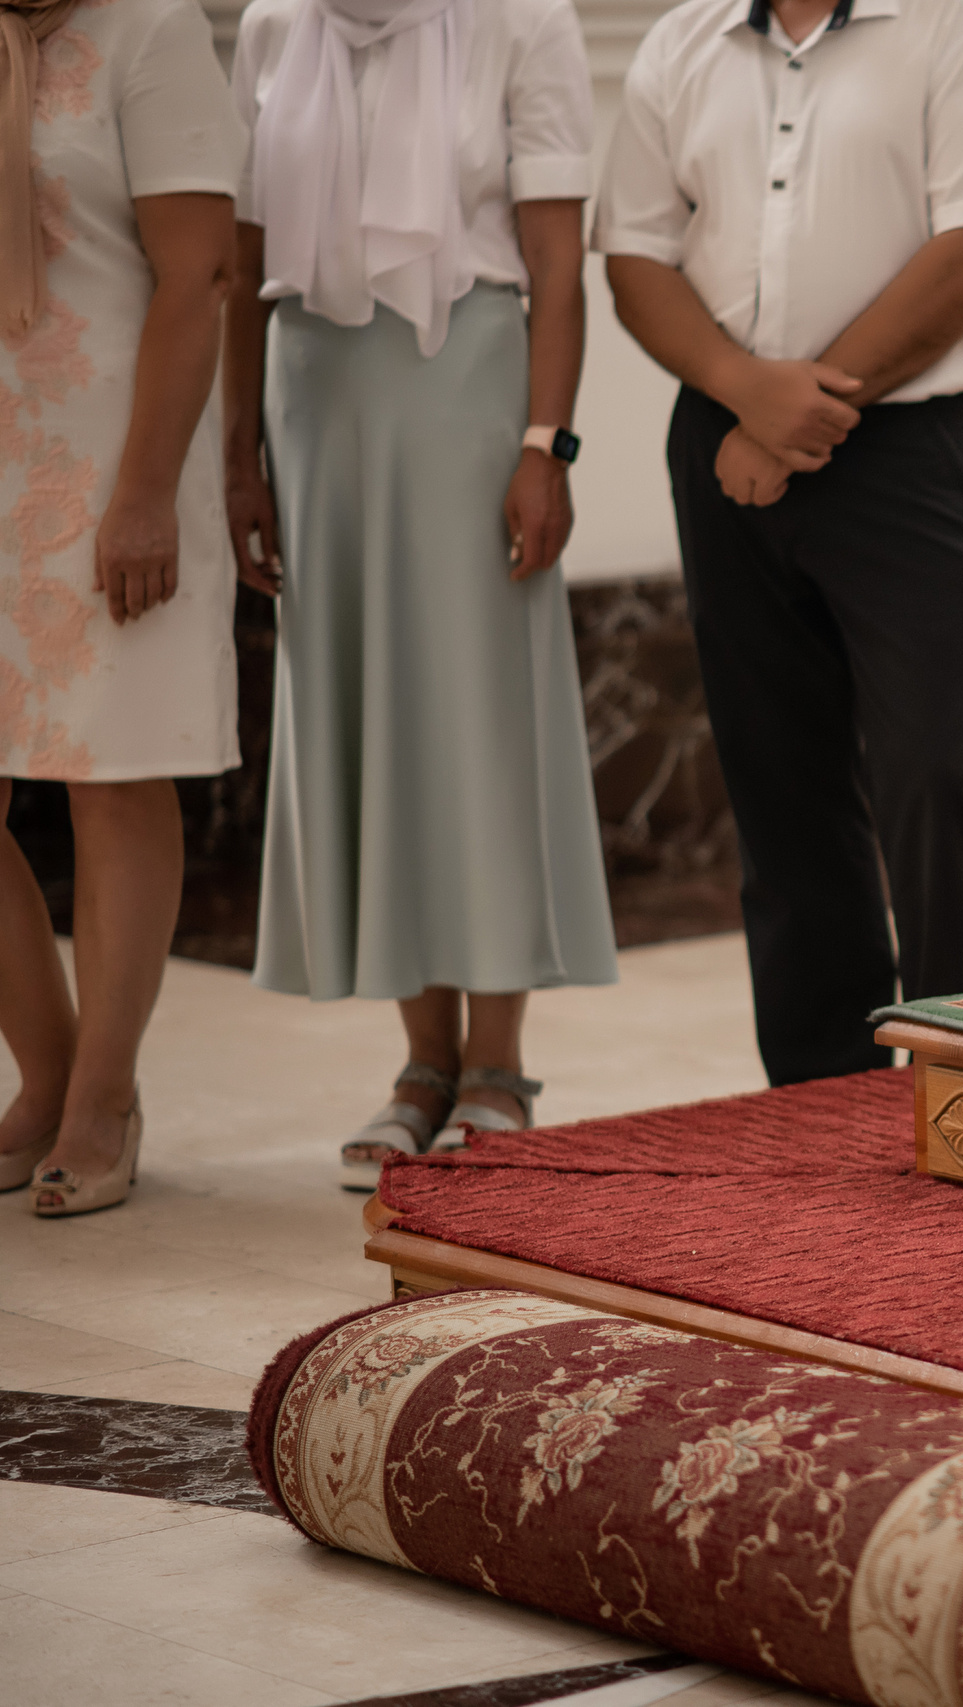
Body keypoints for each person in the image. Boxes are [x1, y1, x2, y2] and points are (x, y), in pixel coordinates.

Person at [594, 0, 963, 1087]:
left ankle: (959, 1074)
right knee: (778, 776)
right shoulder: (682, 40)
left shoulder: (959, 25)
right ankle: (819, 1087)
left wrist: (792, 417)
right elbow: (636, 256)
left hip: (905, 445)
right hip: (722, 431)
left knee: (933, 770)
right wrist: (748, 393)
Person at [224, 0, 617, 1192]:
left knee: (474, 716)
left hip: (471, 390)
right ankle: (421, 1065)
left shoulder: (524, 19)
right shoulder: (275, 22)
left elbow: (558, 262)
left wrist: (546, 445)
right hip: (312, 396)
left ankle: (498, 1066)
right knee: (366, 713)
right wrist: (237, 454)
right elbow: (241, 259)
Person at [0, 0, 244, 1216]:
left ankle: (103, 1097)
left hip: (107, 462)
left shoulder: (150, 27)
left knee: (113, 772)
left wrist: (146, 492)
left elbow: (199, 274)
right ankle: (46, 1074)